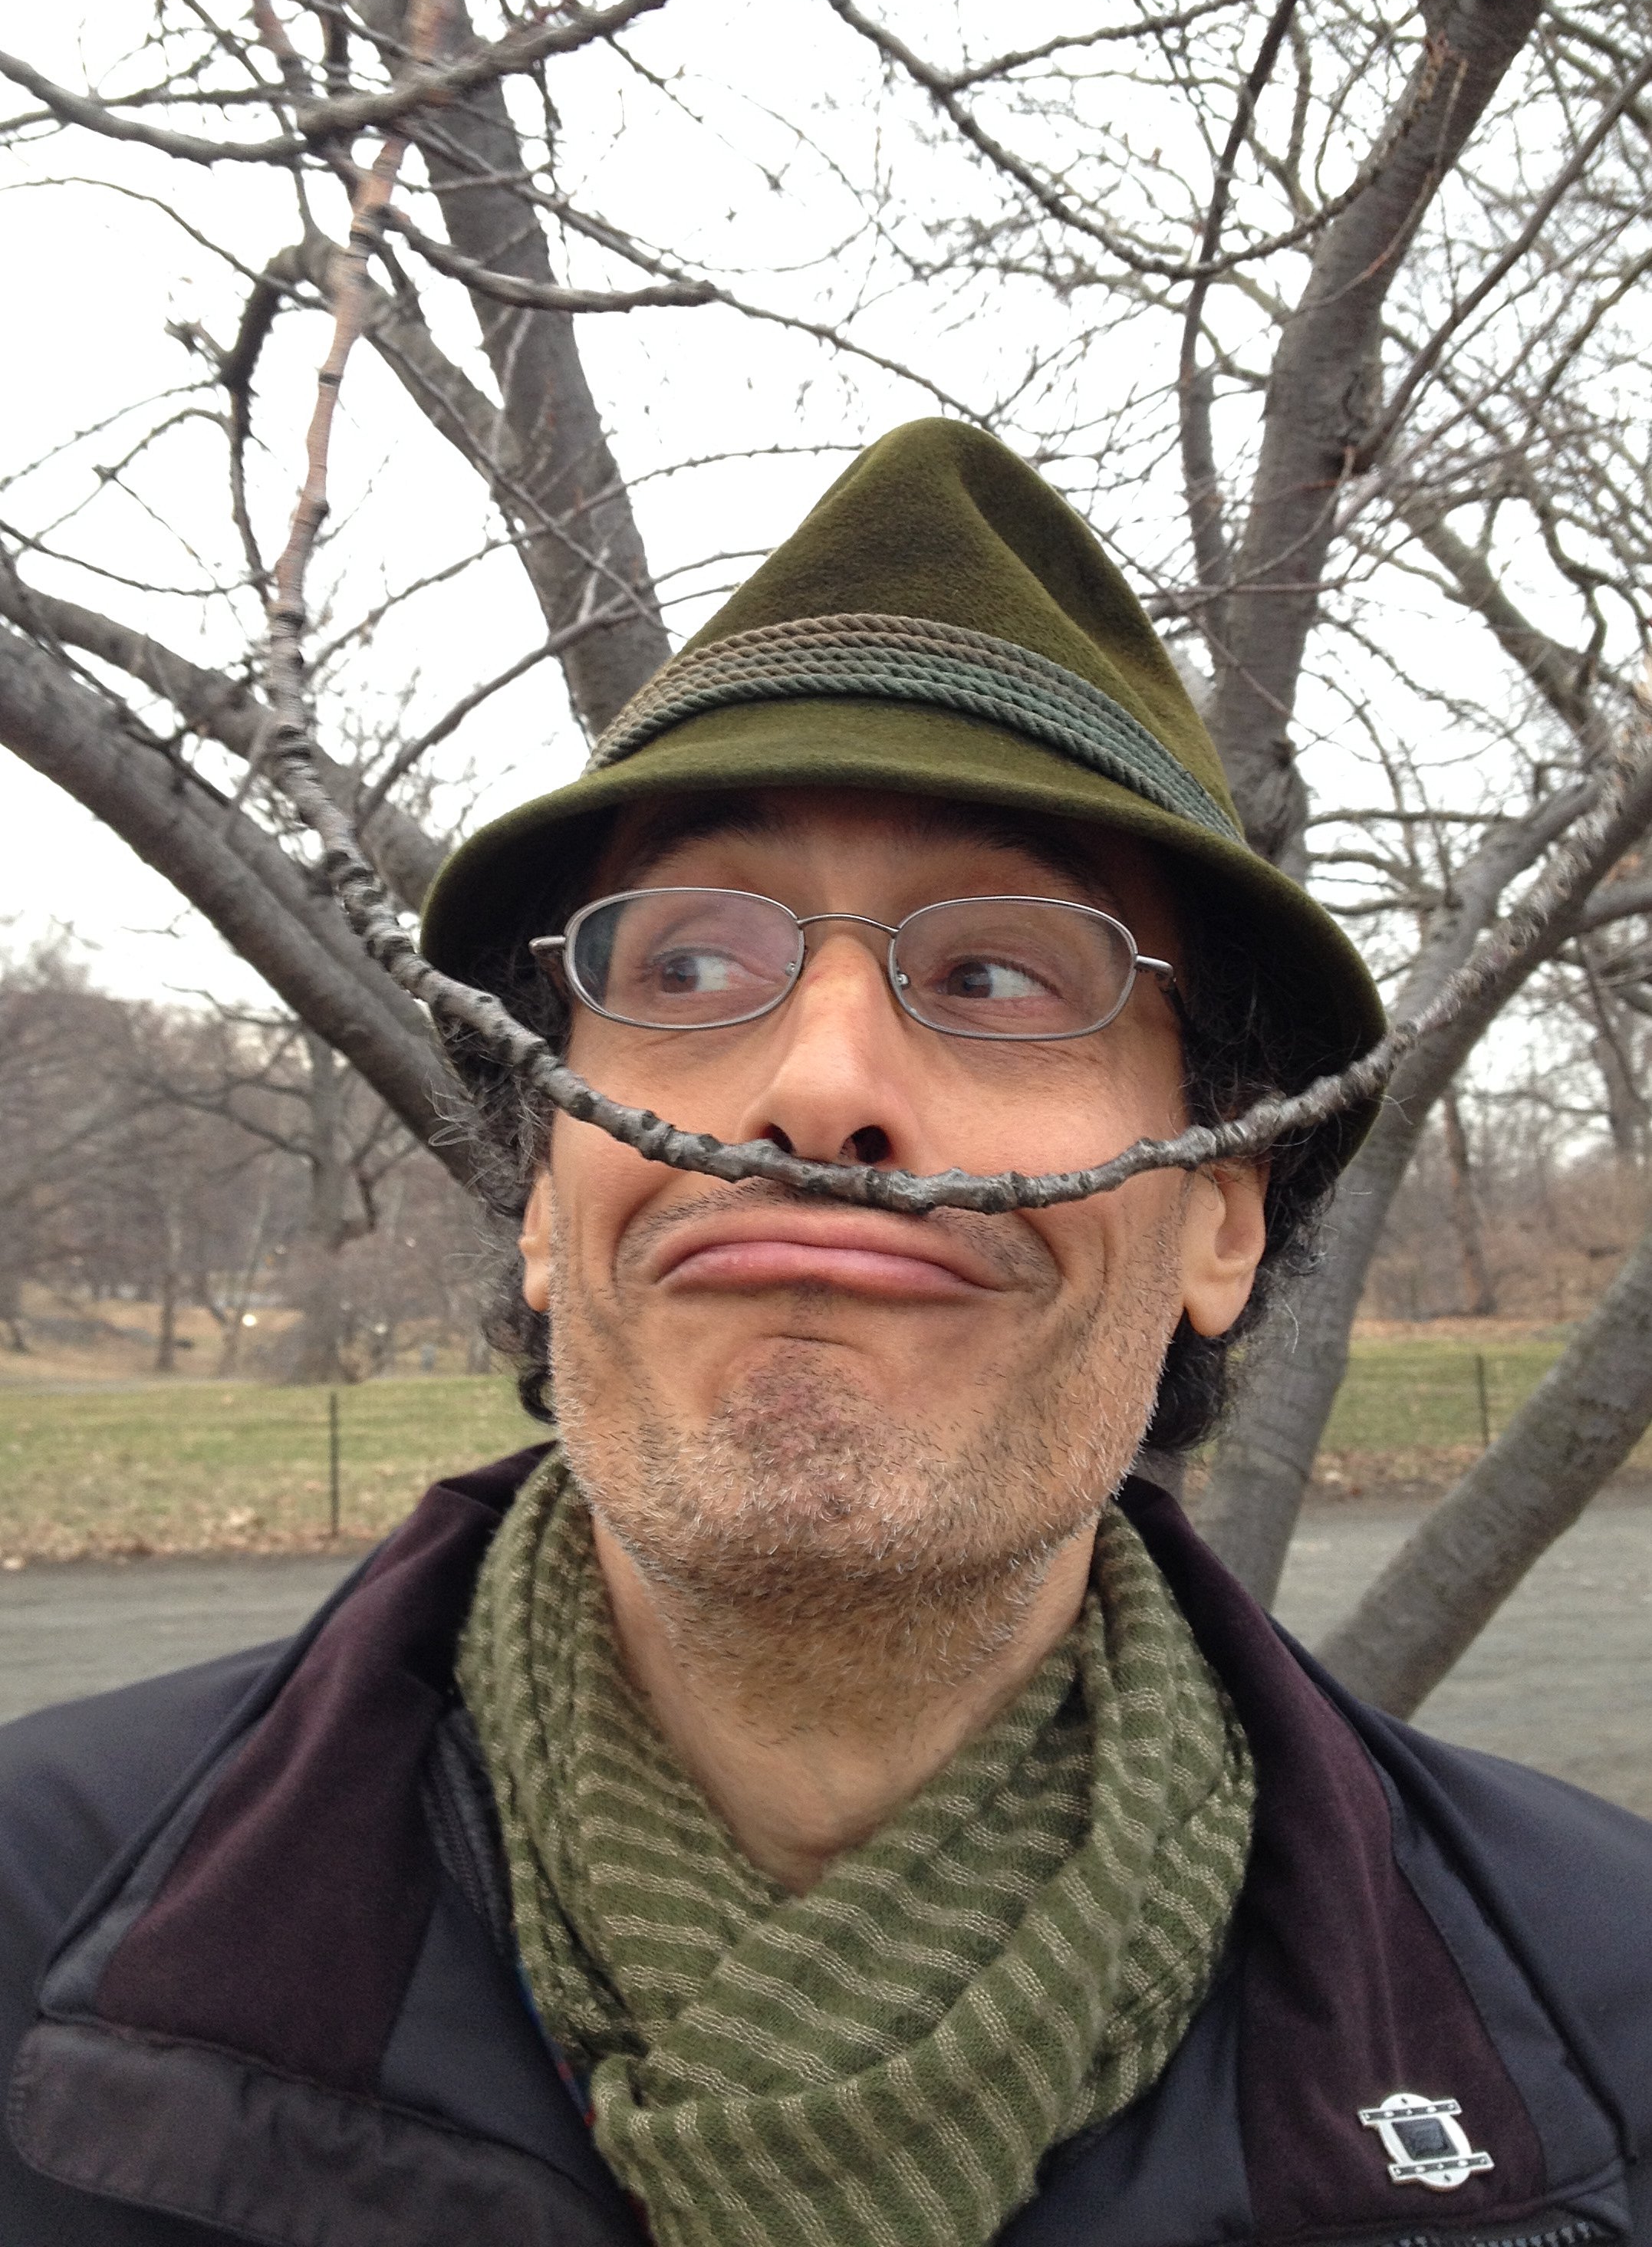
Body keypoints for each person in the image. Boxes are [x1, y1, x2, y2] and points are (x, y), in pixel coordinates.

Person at [0, 421, 1647, 2247]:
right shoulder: (37, 1924)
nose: (820, 1084)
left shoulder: (1609, 2014)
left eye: (997, 973)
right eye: (692, 964)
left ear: (1221, 1218)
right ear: (545, 1197)